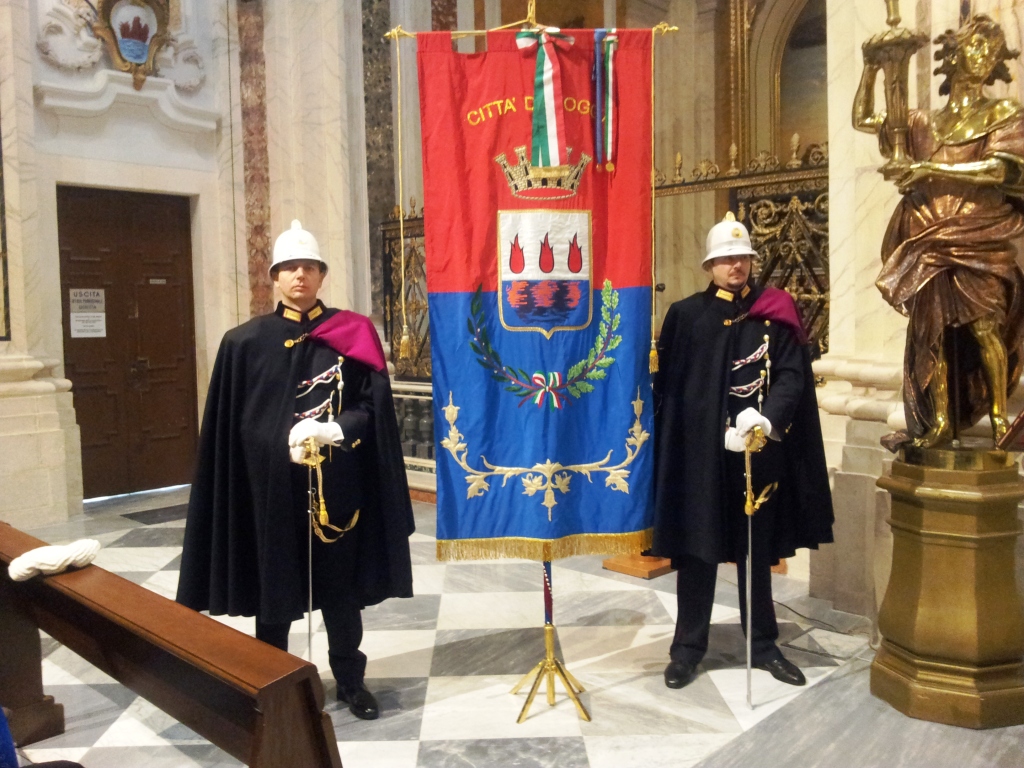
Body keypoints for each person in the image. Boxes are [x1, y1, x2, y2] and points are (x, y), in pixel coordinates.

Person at [177, 220, 414, 720]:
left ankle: (350, 682)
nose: (299, 276)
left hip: (338, 492)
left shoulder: (352, 334)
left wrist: (335, 429)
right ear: (275, 278)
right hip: (272, 495)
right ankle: (274, 689)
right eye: (289, 268)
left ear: (322, 275)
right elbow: (232, 427)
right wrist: (273, 442)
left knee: (340, 595)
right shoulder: (245, 343)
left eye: (309, 267)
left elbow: (373, 409)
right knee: (274, 596)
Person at [651, 213, 834, 690]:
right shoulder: (687, 315)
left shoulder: (776, 310)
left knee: (757, 551)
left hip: (758, 455)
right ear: (710, 265)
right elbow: (668, 388)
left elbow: (793, 375)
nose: (737, 265)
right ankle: (688, 648)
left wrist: (767, 418)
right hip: (702, 458)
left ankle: (764, 644)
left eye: (743, 257)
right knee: (698, 550)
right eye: (727, 258)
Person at [854, 13, 1024, 447]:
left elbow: (999, 170)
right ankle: (942, 422)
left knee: (986, 327)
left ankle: (1001, 420)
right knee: (936, 332)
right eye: (976, 44)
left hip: (977, 233)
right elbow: (864, 119)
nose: (985, 55)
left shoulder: (1004, 112)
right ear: (952, 54)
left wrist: (926, 167)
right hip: (928, 233)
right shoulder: (921, 123)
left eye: (992, 47)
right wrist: (872, 65)